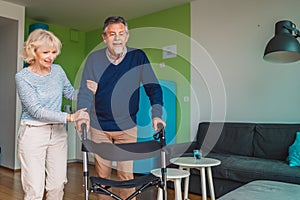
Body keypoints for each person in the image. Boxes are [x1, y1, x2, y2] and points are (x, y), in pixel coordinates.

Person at [77, 16, 166, 199]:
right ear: (104, 37)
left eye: (121, 33)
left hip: (127, 127)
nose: (117, 38)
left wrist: (156, 114)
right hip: (99, 126)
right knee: (102, 177)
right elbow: (86, 91)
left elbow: (153, 87)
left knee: (126, 176)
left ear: (127, 36)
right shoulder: (94, 59)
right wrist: (82, 113)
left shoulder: (137, 57)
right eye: (112, 34)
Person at [15, 29, 89, 200]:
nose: (51, 56)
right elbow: (36, 110)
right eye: (46, 52)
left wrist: (88, 91)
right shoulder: (23, 77)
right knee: (34, 188)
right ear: (33, 51)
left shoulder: (58, 71)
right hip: (33, 132)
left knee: (57, 185)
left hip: (57, 133)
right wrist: (70, 117)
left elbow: (70, 93)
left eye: (54, 52)